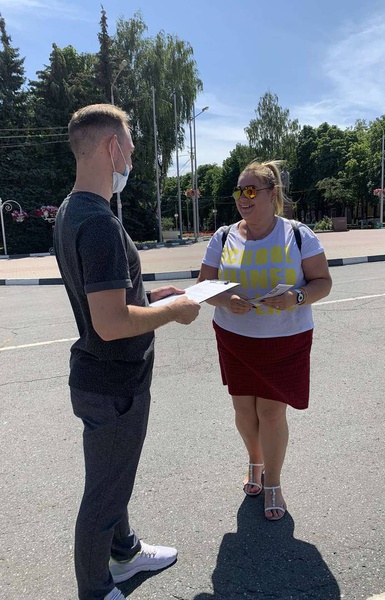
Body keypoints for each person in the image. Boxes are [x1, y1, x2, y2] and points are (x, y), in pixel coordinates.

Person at [53, 104, 201, 600]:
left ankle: (125, 552)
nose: (132, 161)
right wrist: (174, 311)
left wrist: (153, 297)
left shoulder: (71, 210)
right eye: (131, 150)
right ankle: (96, 590)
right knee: (104, 494)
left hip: (101, 378)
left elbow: (109, 298)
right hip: (114, 383)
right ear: (112, 147)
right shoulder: (98, 222)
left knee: (113, 477)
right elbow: (111, 322)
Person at [197, 160, 332, 521]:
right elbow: (204, 287)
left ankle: (273, 482)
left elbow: (323, 283)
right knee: (244, 411)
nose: (243, 198)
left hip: (285, 339)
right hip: (235, 338)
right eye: (238, 191)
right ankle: (254, 461)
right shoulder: (223, 237)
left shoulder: (298, 234)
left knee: (271, 412)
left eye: (251, 190)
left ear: (273, 195)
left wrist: (296, 297)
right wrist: (227, 300)